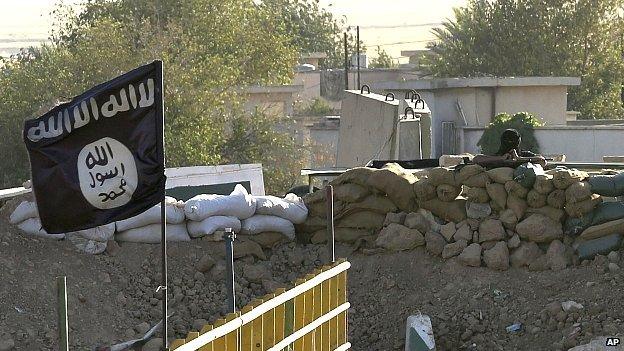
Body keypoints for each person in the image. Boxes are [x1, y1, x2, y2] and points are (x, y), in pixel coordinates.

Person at [473, 129, 547, 168]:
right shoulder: (498, 156)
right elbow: (476, 159)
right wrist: (500, 158)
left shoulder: (523, 154)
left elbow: (543, 161)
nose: (509, 143)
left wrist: (520, 159)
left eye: (512, 140)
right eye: (507, 140)